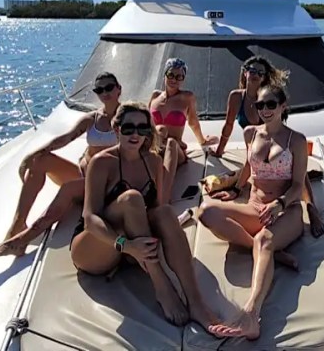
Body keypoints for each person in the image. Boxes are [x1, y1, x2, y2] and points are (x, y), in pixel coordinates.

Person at [70, 103, 227, 334]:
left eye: (143, 129)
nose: (136, 134)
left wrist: (168, 229)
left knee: (164, 212)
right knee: (132, 198)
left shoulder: (153, 161)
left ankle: (196, 303)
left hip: (134, 248)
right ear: (116, 129)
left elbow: (156, 209)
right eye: (129, 128)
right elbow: (89, 217)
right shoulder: (102, 163)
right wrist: (124, 244)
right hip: (97, 247)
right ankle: (162, 286)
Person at [198, 84, 308, 340]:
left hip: (286, 210)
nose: (265, 110)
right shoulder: (250, 133)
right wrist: (235, 190)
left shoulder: (297, 140)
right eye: (260, 105)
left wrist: (280, 204)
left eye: (271, 104)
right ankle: (271, 255)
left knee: (264, 239)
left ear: (283, 106)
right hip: (254, 206)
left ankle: (251, 314)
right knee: (206, 212)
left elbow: (298, 185)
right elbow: (248, 167)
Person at [0, 73, 122, 256]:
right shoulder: (92, 118)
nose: (105, 92)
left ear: (119, 89)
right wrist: (33, 155)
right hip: (83, 174)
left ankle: (23, 239)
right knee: (40, 161)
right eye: (99, 89)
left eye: (109, 87)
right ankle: (18, 224)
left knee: (68, 189)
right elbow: (65, 138)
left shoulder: (127, 119)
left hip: (104, 183)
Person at [211, 56, 324, 237]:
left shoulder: (268, 97)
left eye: (260, 72)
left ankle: (311, 209)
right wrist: (219, 151)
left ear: (265, 77)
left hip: (279, 147)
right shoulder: (236, 97)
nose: (255, 74)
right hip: (257, 150)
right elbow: (228, 125)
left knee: (294, 167)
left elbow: (280, 130)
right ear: (244, 72)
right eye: (252, 70)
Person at [149, 58, 218, 202]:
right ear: (165, 75)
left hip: (175, 149)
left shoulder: (187, 97)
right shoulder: (155, 96)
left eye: (180, 76)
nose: (175, 79)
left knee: (170, 142)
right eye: (171, 75)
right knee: (160, 131)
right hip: (153, 147)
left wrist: (203, 141)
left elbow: (193, 122)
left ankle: (164, 196)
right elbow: (145, 122)